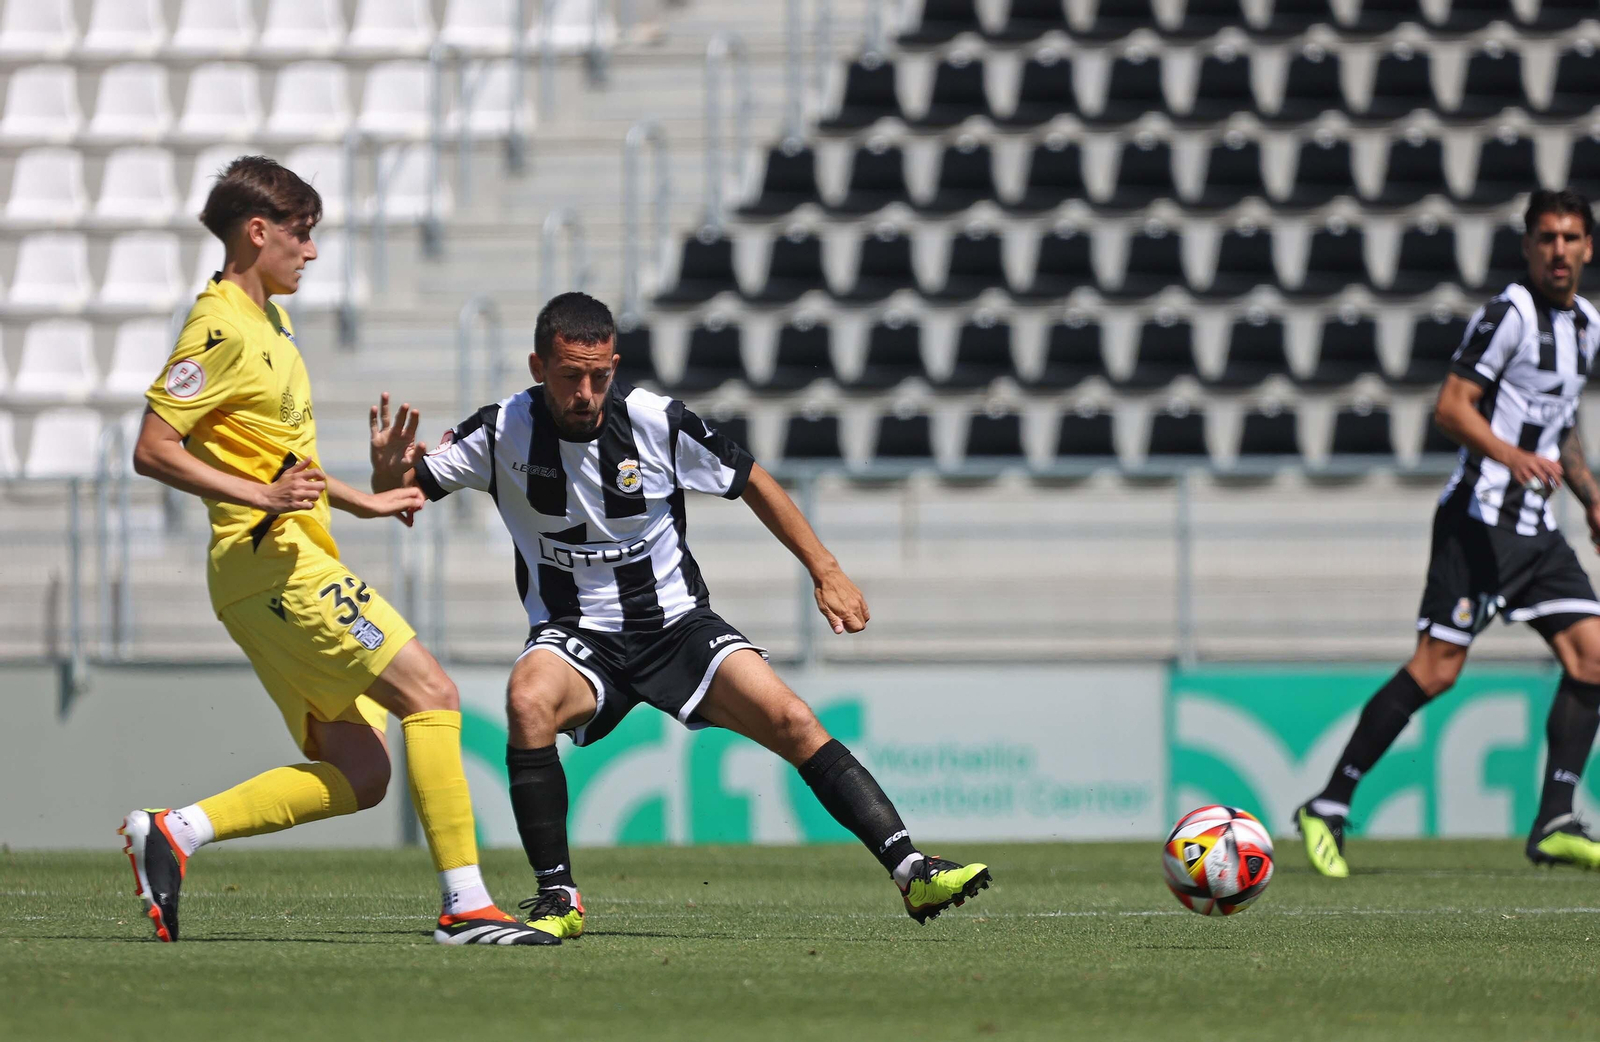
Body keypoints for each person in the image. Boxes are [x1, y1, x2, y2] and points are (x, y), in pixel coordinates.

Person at [368, 291, 991, 942]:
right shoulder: (500, 430)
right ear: (537, 367)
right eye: (570, 376)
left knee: (793, 718)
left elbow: (751, 479)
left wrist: (825, 569)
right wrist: (388, 475)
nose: (586, 392)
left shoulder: (656, 422)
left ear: (614, 365)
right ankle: (558, 895)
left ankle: (912, 870)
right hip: (575, 634)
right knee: (527, 701)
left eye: (599, 376)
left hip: (677, 627)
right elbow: (404, 493)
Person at [120, 155, 553, 945]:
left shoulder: (272, 326)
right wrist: (259, 499)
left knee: (364, 773)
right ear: (259, 232)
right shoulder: (219, 327)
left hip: (274, 569)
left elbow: (283, 465)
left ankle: (176, 831)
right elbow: (152, 448)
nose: (312, 252)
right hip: (278, 567)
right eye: (302, 234)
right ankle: (466, 906)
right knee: (434, 694)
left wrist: (367, 499)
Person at [1297, 189, 1600, 876]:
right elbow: (1451, 408)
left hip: (1536, 529)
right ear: (1527, 246)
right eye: (1546, 237)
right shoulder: (1507, 316)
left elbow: (1561, 424)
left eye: (1570, 237)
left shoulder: (1586, 325)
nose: (1558, 250)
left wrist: (1591, 498)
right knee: (1437, 669)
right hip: (1478, 522)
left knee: (1592, 660)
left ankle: (1555, 819)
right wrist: (1510, 455)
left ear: (1588, 247)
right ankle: (1328, 804)